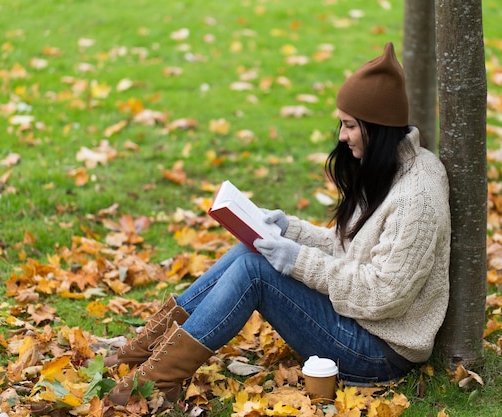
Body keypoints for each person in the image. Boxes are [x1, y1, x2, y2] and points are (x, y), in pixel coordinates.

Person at [107, 41, 451, 405]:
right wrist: (290, 230)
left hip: (379, 352)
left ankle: (158, 381)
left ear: (377, 128)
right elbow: (349, 249)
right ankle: (144, 352)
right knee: (253, 247)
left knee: (257, 269)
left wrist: (298, 259)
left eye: (350, 126)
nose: (341, 136)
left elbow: (383, 296)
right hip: (358, 323)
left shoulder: (417, 197)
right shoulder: (391, 169)